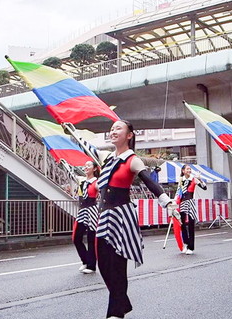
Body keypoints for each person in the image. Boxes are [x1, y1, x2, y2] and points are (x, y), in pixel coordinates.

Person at [78, 120, 173, 319]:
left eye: (118, 128)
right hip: (103, 217)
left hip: (121, 217)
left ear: (129, 135)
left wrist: (167, 202)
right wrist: (69, 128)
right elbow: (85, 144)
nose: (113, 131)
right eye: (112, 128)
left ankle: (115, 313)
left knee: (117, 265)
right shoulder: (107, 159)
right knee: (103, 265)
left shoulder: (132, 160)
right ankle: (122, 303)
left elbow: (149, 182)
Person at [73, 161, 100, 274]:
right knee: (76, 237)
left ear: (94, 169)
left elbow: (103, 193)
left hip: (92, 209)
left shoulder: (96, 182)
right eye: (85, 165)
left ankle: (92, 265)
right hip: (82, 210)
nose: (86, 167)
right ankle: (85, 260)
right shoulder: (83, 181)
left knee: (91, 238)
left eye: (89, 165)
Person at [175, 164, 207, 254]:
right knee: (182, 224)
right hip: (182, 203)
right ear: (183, 171)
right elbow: (178, 192)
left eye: (190, 169)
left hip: (190, 203)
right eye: (187, 169)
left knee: (191, 224)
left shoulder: (194, 179)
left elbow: (204, 187)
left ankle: (191, 247)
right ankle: (185, 243)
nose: (189, 170)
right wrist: (174, 202)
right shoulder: (181, 180)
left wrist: (200, 179)